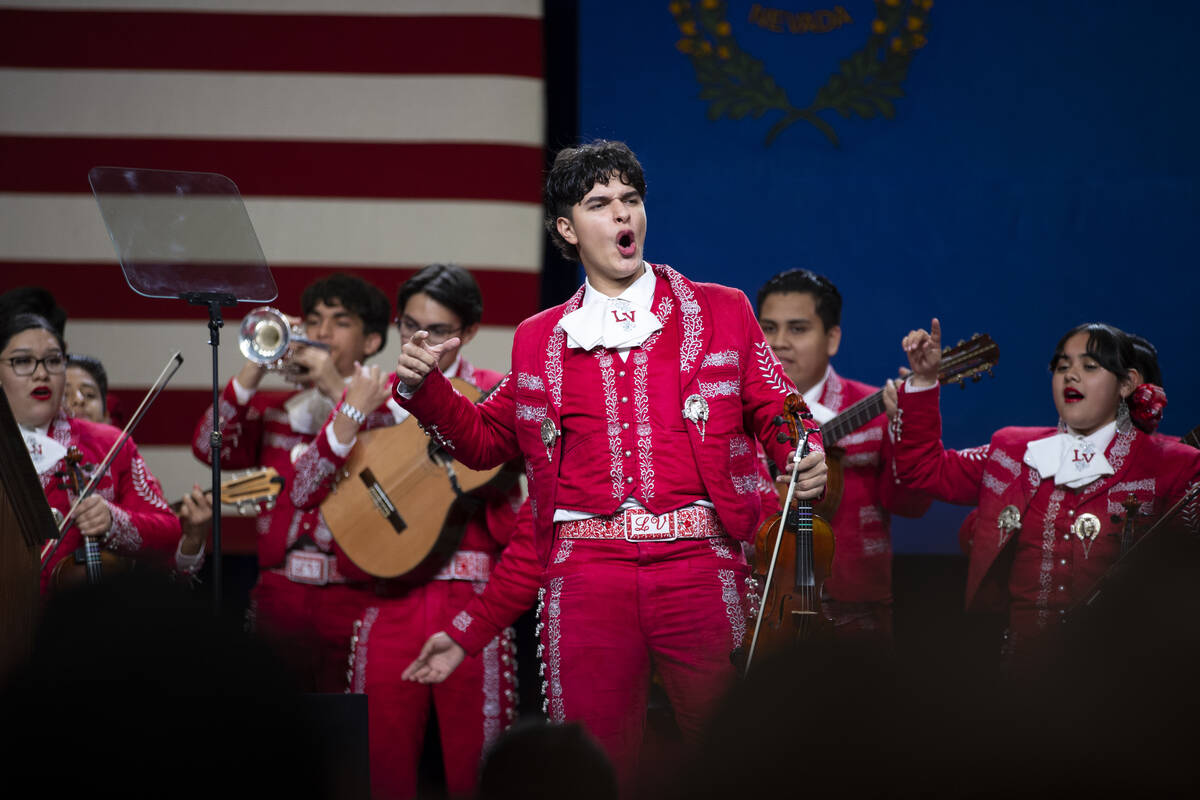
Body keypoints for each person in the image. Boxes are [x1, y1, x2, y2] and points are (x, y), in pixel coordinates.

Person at [394, 140, 827, 790]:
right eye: (600, 203)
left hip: (699, 565)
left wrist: (804, 446)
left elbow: (780, 404)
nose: (622, 215)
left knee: (739, 754)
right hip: (586, 574)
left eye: (630, 200)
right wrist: (428, 387)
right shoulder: (540, 338)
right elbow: (484, 441)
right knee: (592, 770)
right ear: (567, 228)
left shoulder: (720, 309)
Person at [288, 264, 533, 800]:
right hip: (385, 599)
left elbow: (529, 515)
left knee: (483, 774)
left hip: (472, 601)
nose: (422, 342)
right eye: (410, 328)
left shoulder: (495, 394)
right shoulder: (369, 391)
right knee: (377, 773)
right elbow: (303, 491)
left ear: (468, 332)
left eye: (439, 332)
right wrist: (349, 408)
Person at [886, 319, 1200, 665]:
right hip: (1019, 674)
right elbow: (924, 472)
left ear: (1128, 383)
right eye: (1062, 366)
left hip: (1122, 681)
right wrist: (924, 382)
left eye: (1090, 367)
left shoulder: (1174, 464)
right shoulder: (1012, 449)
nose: (1071, 375)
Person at [190, 273, 391, 692]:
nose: (321, 333)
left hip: (354, 597)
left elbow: (384, 464)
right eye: (314, 319)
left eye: (340, 322)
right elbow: (209, 449)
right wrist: (255, 366)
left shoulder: (388, 410)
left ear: (371, 341)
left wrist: (336, 388)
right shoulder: (279, 412)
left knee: (349, 738)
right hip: (278, 597)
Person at [756, 269, 930, 642]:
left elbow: (912, 505)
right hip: (759, 613)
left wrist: (907, 430)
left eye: (798, 329)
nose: (779, 343)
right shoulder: (733, 411)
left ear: (832, 338)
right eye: (767, 329)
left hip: (855, 616)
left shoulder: (878, 409)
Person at [2, 314, 183, 593]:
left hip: (68, 624)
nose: (41, 373)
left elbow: (169, 532)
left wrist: (112, 521)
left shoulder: (108, 442)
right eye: (23, 361)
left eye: (53, 360)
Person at [65, 353, 211, 575]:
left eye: (89, 394)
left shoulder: (121, 455)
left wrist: (113, 521)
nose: (77, 399)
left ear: (106, 415)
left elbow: (166, 569)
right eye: (65, 393)